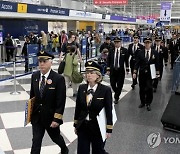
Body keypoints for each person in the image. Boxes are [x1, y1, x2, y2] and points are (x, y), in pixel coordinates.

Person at [30, 51, 68, 154]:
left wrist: (57, 119)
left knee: (55, 138)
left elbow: (61, 101)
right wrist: (29, 114)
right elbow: (32, 97)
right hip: (37, 117)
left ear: (51, 62)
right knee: (36, 142)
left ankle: (64, 148)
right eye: (40, 61)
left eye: (44, 61)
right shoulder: (35, 76)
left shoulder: (58, 79)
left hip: (51, 117)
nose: (41, 64)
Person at [74, 60, 113, 154]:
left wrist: (109, 129)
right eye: (87, 72)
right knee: (82, 151)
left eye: (91, 73)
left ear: (98, 75)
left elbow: (108, 110)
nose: (88, 75)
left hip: (98, 127)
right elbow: (78, 107)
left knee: (98, 151)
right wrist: (76, 124)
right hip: (83, 126)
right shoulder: (82, 88)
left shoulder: (105, 90)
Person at [133, 37, 160, 111]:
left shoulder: (155, 52)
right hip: (142, 73)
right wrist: (135, 72)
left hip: (151, 73)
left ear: (151, 43)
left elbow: (157, 63)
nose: (147, 44)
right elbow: (137, 63)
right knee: (141, 88)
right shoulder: (140, 52)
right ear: (144, 44)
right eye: (146, 43)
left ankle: (148, 103)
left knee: (149, 88)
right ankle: (142, 102)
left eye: (148, 43)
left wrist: (157, 73)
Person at [106, 37, 129, 104]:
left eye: (118, 42)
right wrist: (108, 69)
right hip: (113, 70)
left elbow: (126, 60)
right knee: (112, 83)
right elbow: (109, 60)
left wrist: (127, 68)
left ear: (120, 43)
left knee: (120, 84)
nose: (116, 44)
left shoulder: (124, 50)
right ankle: (117, 92)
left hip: (120, 70)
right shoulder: (111, 50)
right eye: (115, 42)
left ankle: (116, 97)